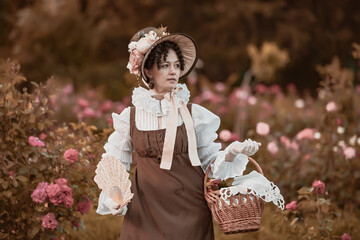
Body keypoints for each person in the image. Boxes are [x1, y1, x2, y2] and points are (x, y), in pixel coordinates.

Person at [96, 27, 261, 240]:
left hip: (190, 211)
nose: (173, 71)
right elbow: (114, 164)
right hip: (145, 210)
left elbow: (210, 163)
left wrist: (232, 152)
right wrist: (114, 196)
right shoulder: (130, 117)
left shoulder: (194, 114)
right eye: (165, 66)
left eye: (176, 65)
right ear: (148, 71)